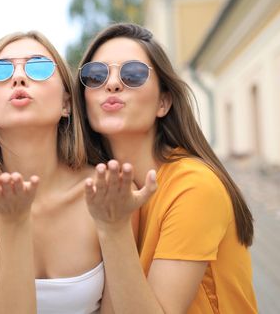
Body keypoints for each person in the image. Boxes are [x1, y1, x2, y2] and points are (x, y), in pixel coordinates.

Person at [0, 30, 132, 314]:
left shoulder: (106, 190)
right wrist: (14, 223)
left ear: (66, 103)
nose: (18, 78)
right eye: (0, 71)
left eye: (39, 67)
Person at [77, 22, 257, 313]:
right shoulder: (95, 190)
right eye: (95, 76)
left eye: (132, 74)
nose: (111, 83)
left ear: (163, 102)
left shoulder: (195, 186)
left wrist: (113, 228)